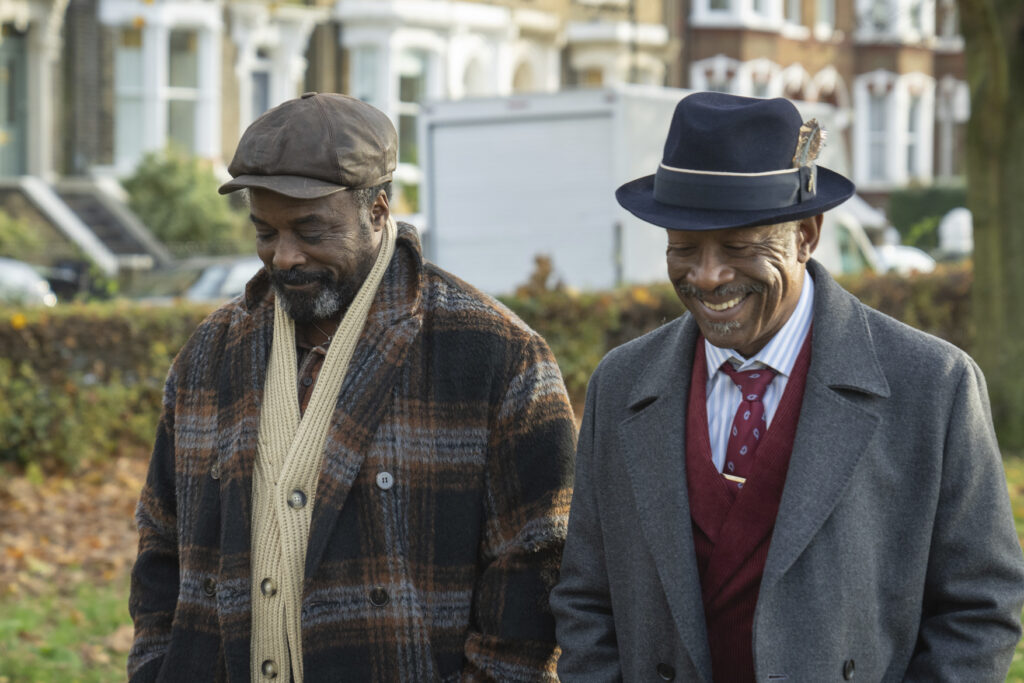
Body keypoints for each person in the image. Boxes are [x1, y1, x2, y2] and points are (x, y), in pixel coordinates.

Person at [550, 92, 1024, 682]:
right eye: (683, 248)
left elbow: (979, 610)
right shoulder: (620, 384)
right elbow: (586, 600)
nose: (707, 276)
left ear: (807, 234)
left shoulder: (934, 386)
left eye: (739, 247)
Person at [128, 92, 576, 682]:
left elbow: (536, 576)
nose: (283, 257)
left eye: (311, 230)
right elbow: (161, 546)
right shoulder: (210, 355)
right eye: (265, 232)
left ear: (378, 210)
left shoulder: (494, 355)